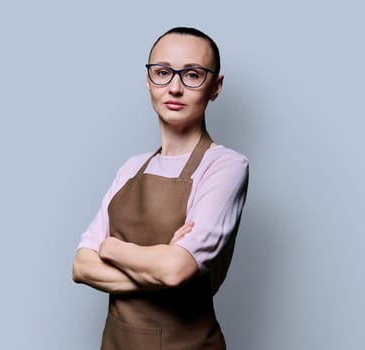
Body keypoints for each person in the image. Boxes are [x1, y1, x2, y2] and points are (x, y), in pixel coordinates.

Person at [72, 27, 249, 349]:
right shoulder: (130, 167)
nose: (175, 88)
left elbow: (175, 270)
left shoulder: (226, 166)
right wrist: (161, 262)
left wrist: (111, 248)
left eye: (193, 74)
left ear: (215, 87)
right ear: (148, 80)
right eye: (163, 73)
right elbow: (82, 266)